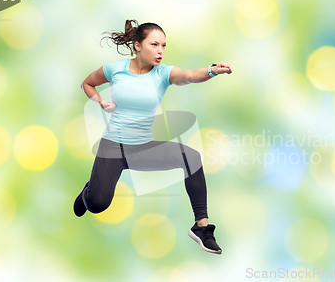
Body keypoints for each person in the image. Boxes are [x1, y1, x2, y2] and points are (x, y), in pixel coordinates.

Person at [73, 19, 232, 255]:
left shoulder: (163, 74)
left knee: (192, 157)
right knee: (97, 204)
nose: (160, 51)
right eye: (155, 44)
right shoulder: (114, 69)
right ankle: (90, 188)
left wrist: (211, 71)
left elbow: (189, 74)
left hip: (142, 149)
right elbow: (87, 83)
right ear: (137, 45)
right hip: (113, 148)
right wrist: (101, 100)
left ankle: (201, 227)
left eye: (164, 46)